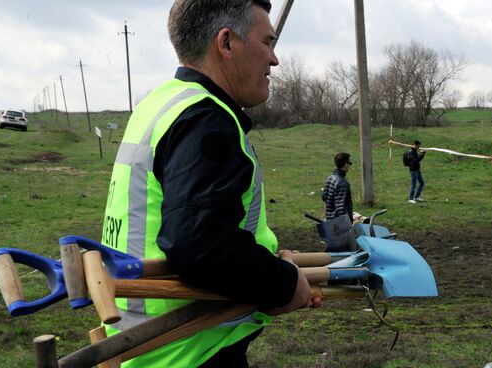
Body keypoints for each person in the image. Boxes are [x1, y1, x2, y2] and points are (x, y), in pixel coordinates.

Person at [100, 1, 320, 367]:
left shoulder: (160, 103)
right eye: (267, 42)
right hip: (188, 352)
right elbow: (200, 245)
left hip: (146, 344)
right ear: (227, 43)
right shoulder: (206, 121)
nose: (275, 59)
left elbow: (198, 227)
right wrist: (283, 284)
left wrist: (267, 266)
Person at [321, 152, 353, 222]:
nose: (350, 165)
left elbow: (324, 197)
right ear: (345, 164)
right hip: (338, 224)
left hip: (330, 220)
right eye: (349, 163)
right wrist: (348, 225)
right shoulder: (342, 183)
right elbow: (341, 208)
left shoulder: (330, 178)